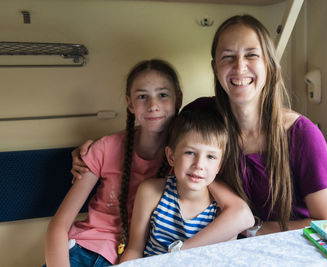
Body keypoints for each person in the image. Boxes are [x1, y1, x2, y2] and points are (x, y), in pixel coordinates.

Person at [72, 14, 327, 238]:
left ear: (270, 66)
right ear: (215, 68)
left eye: (251, 55)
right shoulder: (200, 115)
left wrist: (254, 230)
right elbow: (155, 140)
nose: (239, 66)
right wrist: (92, 154)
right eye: (228, 57)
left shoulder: (302, 135)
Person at [45, 59, 254, 267]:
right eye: (142, 96)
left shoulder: (187, 158)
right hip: (84, 249)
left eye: (163, 95)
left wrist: (183, 250)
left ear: (178, 99)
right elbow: (59, 225)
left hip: (133, 257)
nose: (153, 105)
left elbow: (239, 213)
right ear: (130, 103)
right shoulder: (105, 148)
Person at [120, 109, 247, 262]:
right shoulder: (150, 192)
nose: (199, 165)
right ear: (171, 156)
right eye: (190, 153)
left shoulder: (222, 212)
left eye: (210, 156)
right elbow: (134, 249)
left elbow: (223, 260)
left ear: (219, 165)